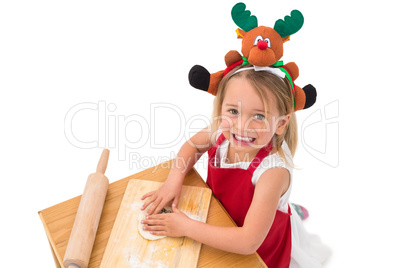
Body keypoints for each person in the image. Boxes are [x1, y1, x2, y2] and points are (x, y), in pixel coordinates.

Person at [141, 65, 330, 267]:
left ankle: (281, 210)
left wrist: (187, 227)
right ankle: (282, 206)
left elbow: (248, 242)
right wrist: (173, 180)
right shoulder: (221, 129)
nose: (242, 126)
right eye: (233, 111)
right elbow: (192, 146)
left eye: (259, 116)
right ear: (220, 107)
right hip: (221, 214)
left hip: (257, 242)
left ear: (281, 123)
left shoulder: (273, 172)